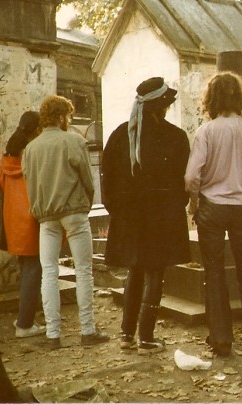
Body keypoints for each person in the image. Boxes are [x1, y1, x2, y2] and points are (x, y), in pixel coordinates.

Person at [101, 77, 191, 355]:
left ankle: (127, 335)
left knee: (134, 271)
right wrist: (176, 207)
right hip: (161, 218)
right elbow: (182, 184)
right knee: (155, 274)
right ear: (161, 108)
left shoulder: (118, 136)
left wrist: (118, 211)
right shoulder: (175, 137)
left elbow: (107, 180)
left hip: (129, 218)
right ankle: (147, 338)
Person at [184, 72, 242, 356]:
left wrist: (196, 201)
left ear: (212, 99)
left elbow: (191, 177)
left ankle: (221, 338)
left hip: (212, 206)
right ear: (239, 98)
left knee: (215, 271)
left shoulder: (207, 132)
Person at [22, 95, 109, 349]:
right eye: (68, 116)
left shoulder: (31, 149)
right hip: (74, 212)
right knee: (83, 271)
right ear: (61, 117)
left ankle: (53, 334)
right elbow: (88, 179)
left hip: (45, 216)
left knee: (48, 273)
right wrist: (84, 202)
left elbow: (29, 183)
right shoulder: (73, 141)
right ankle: (87, 330)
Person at [0, 111, 45, 338]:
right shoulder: (33, 155)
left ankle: (25, 319)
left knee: (27, 270)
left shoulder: (8, 157)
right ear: (36, 130)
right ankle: (25, 324)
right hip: (31, 219)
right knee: (34, 270)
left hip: (12, 221)